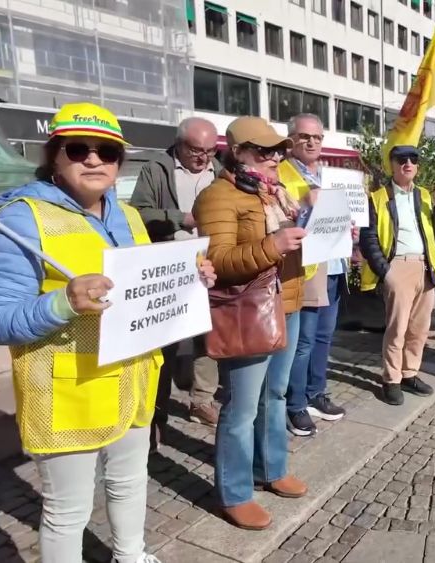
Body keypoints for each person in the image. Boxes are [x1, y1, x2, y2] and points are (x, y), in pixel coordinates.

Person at [0, 102, 216, 563]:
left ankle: (131, 555)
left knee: (130, 481)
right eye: (78, 149)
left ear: (119, 162)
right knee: (69, 511)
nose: (93, 159)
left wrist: (190, 278)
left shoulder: (127, 216)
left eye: (107, 152)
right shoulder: (22, 218)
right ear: (54, 154)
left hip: (133, 380)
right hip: (70, 391)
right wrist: (63, 302)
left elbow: (145, 283)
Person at [194, 116, 308, 530]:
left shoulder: (276, 193)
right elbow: (219, 261)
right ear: (238, 152)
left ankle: (272, 469)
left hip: (287, 303)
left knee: (275, 395)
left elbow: (287, 249)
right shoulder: (217, 196)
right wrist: (273, 244)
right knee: (240, 408)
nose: (274, 157)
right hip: (249, 310)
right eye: (264, 150)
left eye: (277, 150)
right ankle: (235, 492)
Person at [130, 116, 223, 450]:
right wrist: (179, 218)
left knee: (207, 338)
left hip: (209, 265)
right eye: (196, 150)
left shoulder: (220, 170)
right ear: (180, 144)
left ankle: (202, 401)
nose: (204, 157)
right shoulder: (156, 169)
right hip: (169, 267)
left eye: (210, 151)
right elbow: (137, 212)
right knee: (164, 346)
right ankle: (156, 416)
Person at [358, 145, 435, 406]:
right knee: (397, 328)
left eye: (413, 159)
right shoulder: (377, 198)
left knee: (419, 328)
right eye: (401, 159)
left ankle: (410, 373)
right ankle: (391, 379)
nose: (407, 163)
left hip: (425, 267)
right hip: (397, 266)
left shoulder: (424, 195)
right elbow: (368, 239)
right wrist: (386, 272)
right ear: (392, 165)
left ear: (417, 166)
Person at [277, 113, 349, 437]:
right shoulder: (282, 172)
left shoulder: (330, 175)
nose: (311, 142)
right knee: (302, 342)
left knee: (323, 337)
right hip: (305, 266)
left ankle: (316, 393)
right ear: (291, 139)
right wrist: (305, 203)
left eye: (317, 137)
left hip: (333, 265)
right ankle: (295, 405)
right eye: (304, 136)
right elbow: (278, 218)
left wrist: (351, 229)